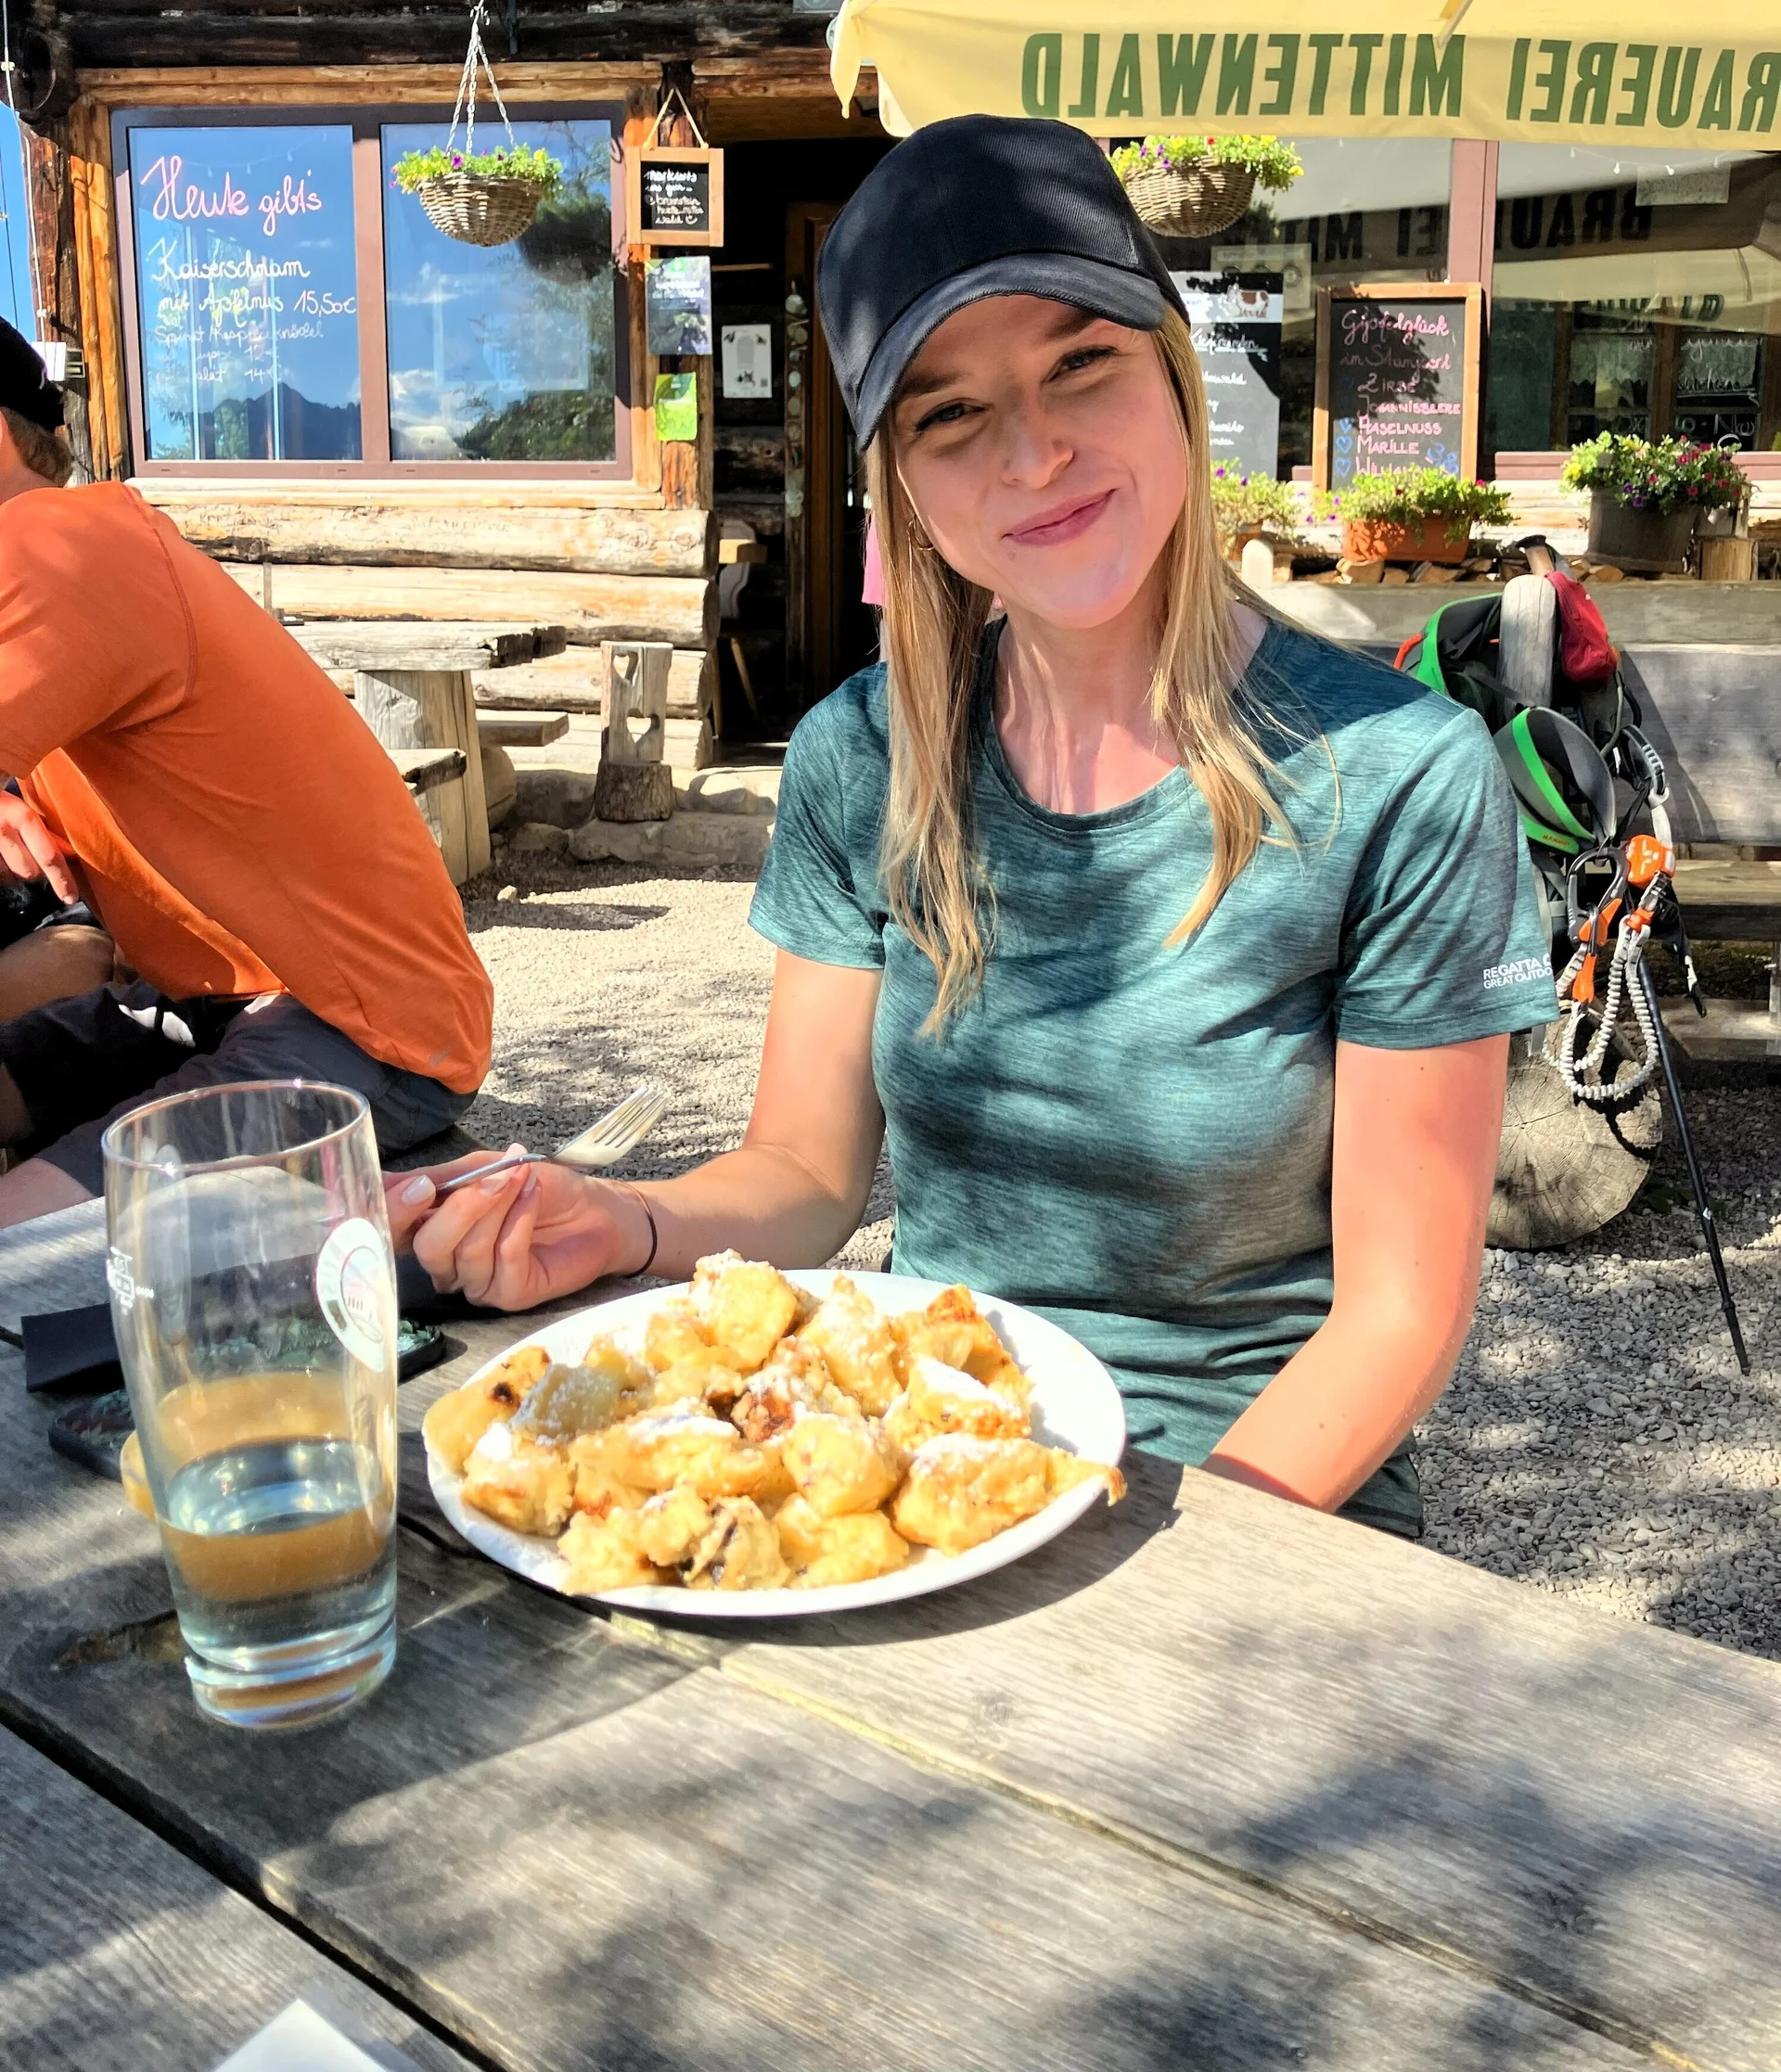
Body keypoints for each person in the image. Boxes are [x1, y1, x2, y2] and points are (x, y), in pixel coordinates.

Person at [389, 117, 1557, 1537]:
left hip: (1263, 1507)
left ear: (1176, 377)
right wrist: (626, 1220)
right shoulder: (860, 754)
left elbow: (1399, 1315)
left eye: (1082, 363)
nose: (1035, 452)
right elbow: (808, 1179)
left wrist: (1169, 1559)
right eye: (949, 415)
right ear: (904, 481)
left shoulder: (1398, 776)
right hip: (934, 1469)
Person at [0, 319, 493, 1226]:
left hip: (365, 1028)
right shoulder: (80, 550)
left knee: (29, 1235)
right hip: (211, 997)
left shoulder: (48, 543)